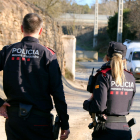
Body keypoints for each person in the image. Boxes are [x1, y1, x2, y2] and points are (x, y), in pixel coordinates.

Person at [0, 13, 70, 140]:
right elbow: (58, 92)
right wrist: (64, 123)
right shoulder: (48, 55)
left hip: (14, 120)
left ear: (22, 28)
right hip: (40, 121)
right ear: (41, 30)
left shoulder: (7, 51)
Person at [83, 41, 136, 140]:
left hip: (106, 130)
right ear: (124, 60)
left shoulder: (103, 76)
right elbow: (128, 105)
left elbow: (99, 107)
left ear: (107, 57)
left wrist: (86, 103)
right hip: (125, 130)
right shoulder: (131, 78)